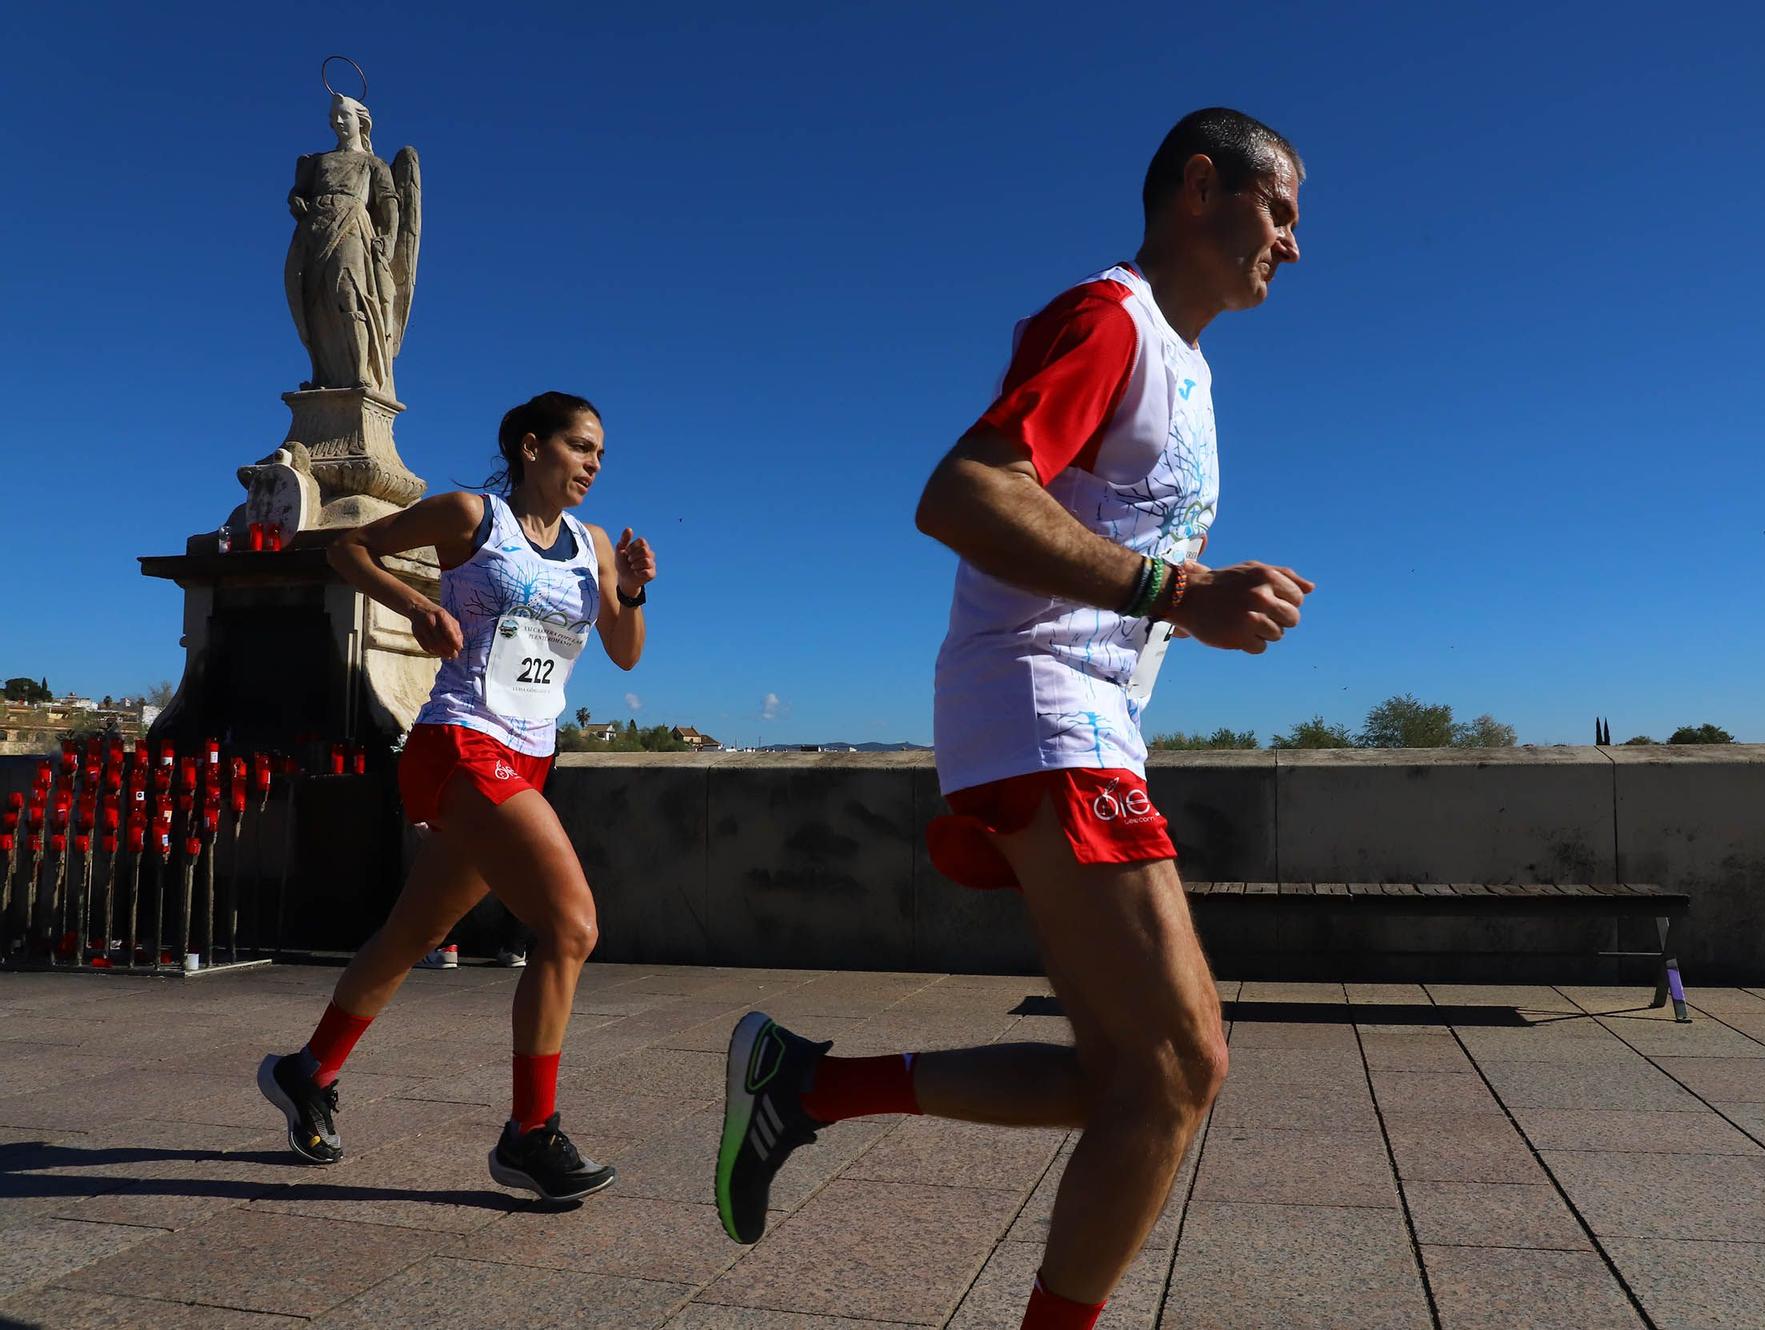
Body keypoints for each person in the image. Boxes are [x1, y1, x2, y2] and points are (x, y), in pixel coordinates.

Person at [713, 108, 1310, 1328]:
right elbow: (963, 489)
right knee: (1180, 1067)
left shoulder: (1187, 365)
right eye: (1279, 211)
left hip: (1082, 718)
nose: (1291, 246)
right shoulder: (1108, 319)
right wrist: (1180, 591)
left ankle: (806, 1085)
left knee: (1123, 1076)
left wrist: (1178, 596)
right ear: (1198, 188)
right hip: (1043, 709)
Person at [258, 391, 655, 1201]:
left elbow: (623, 654)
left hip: (530, 757)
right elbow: (349, 551)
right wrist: (417, 604)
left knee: (412, 932)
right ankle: (530, 1135)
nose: (593, 465)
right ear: (532, 448)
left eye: (601, 455)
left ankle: (308, 1071)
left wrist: (637, 592)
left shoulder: (594, 546)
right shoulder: (471, 516)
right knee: (572, 926)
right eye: (581, 447)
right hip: (460, 743)